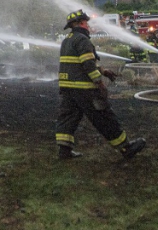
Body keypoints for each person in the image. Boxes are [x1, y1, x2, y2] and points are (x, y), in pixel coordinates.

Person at [55, 9, 147, 160]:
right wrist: (99, 82)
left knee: (68, 118)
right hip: (84, 89)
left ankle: (64, 151)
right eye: (86, 22)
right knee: (103, 117)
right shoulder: (83, 40)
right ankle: (125, 148)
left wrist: (103, 71)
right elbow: (87, 64)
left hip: (67, 88)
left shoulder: (67, 40)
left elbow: (78, 64)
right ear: (80, 23)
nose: (88, 25)